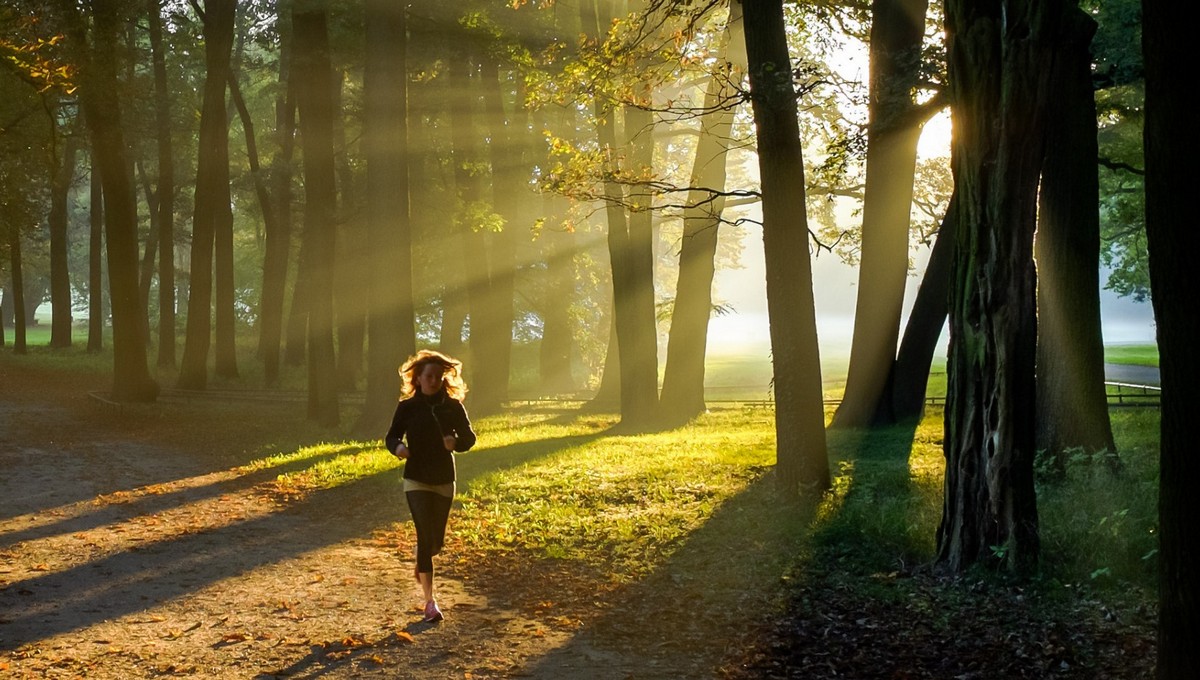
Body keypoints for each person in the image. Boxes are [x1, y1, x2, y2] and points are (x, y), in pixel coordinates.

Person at [384, 349, 477, 623]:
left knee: (436, 542)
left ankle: (423, 559)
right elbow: (391, 437)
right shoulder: (408, 407)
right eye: (429, 376)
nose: (434, 381)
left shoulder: (453, 407)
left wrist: (456, 444)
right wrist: (399, 448)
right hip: (415, 478)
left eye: (438, 376)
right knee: (424, 537)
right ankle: (430, 603)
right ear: (418, 378)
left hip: (443, 479)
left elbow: (470, 438)